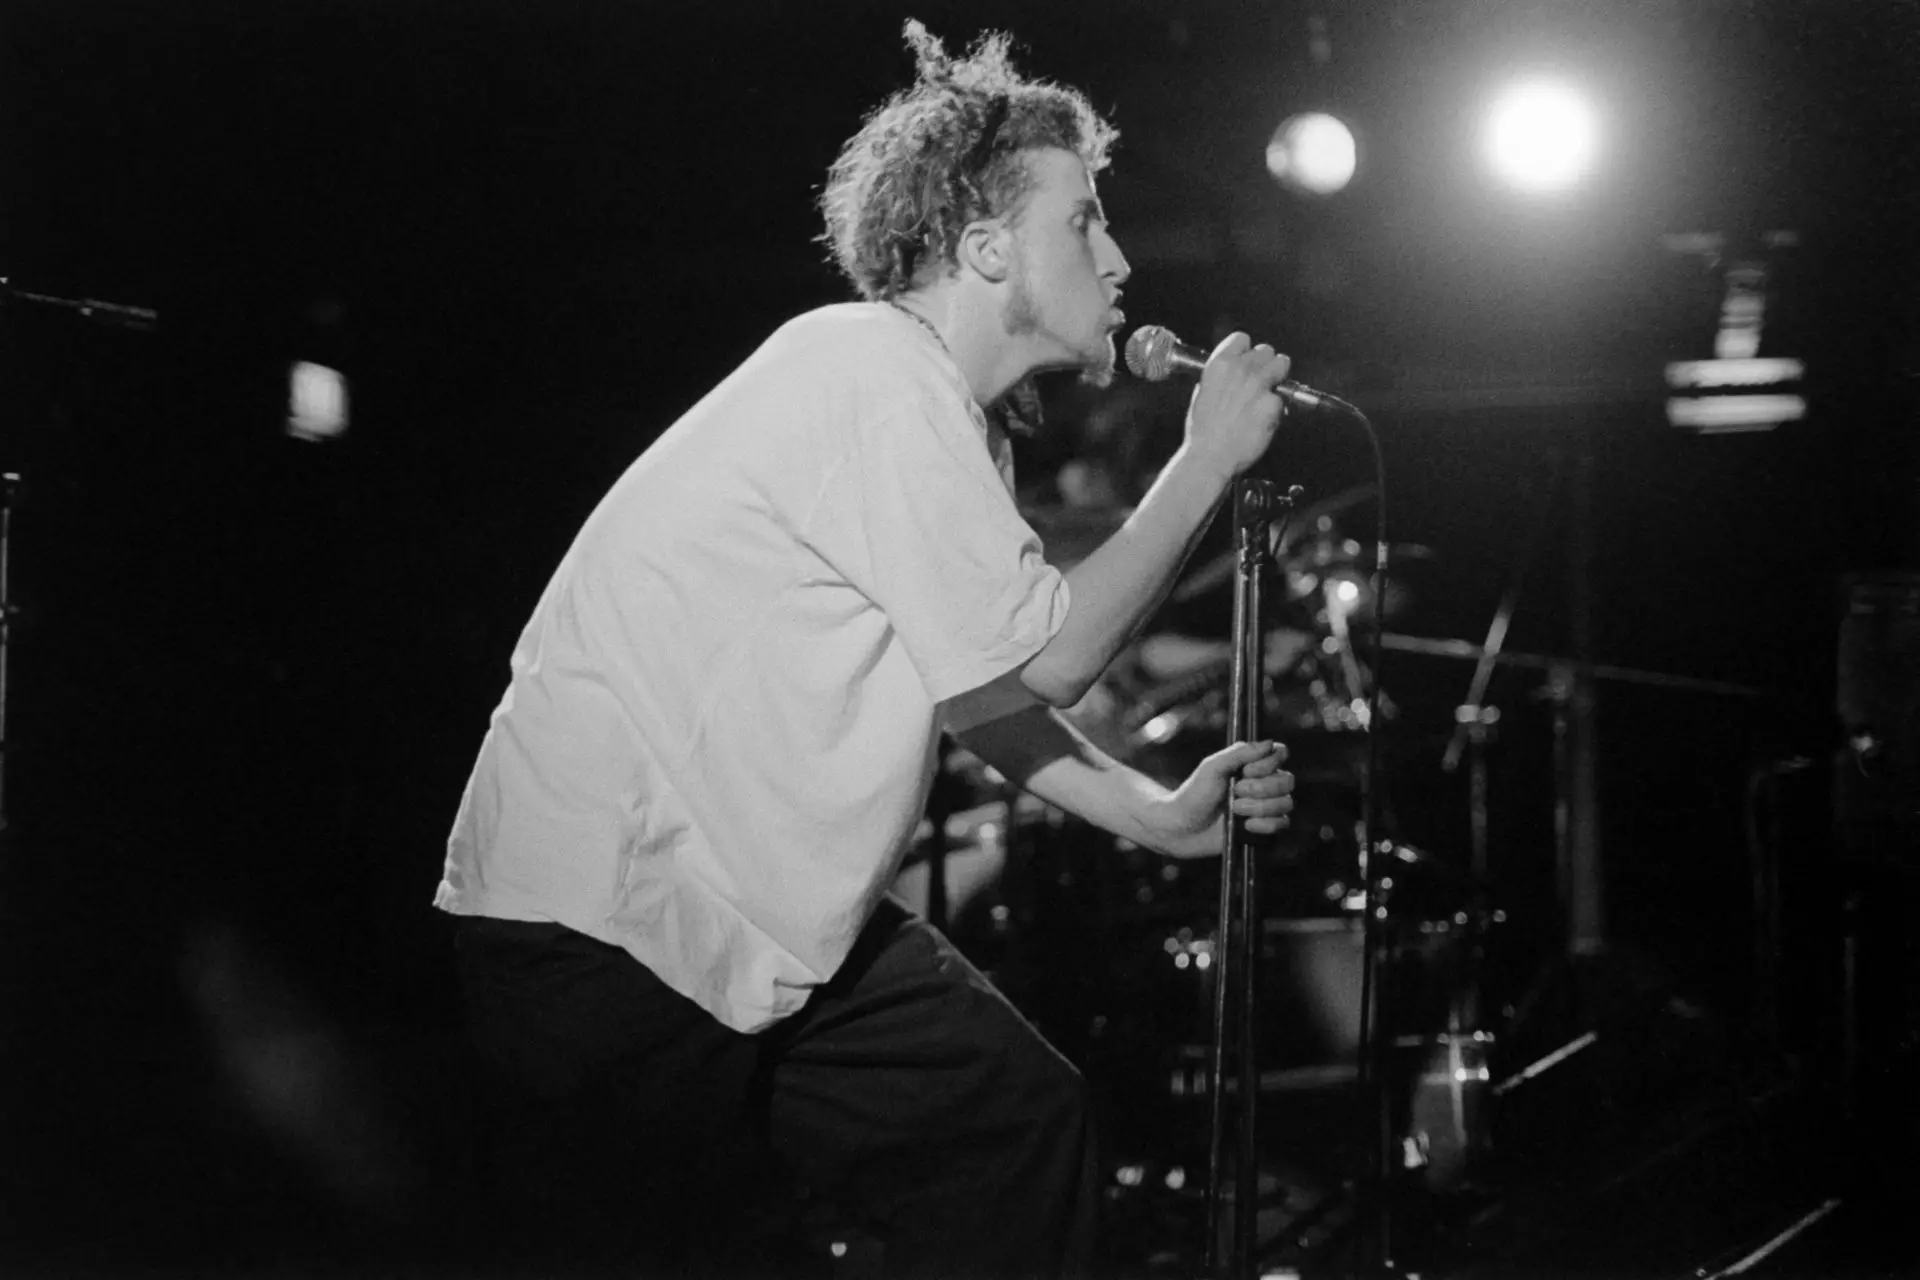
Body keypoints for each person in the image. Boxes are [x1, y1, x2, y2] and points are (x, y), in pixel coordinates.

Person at [435, 20, 1297, 1278]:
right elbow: (1051, 660)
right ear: (988, 247)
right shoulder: (866, 368)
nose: (1117, 259)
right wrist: (1206, 459)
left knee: (1015, 1122)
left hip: (762, 930)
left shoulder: (947, 420)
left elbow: (981, 687)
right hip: (606, 931)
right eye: (1086, 222)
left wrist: (1154, 815)